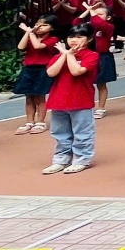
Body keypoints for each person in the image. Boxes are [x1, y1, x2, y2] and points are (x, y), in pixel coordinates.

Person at [42, 23, 99, 174]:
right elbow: (51, 73)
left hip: (81, 101)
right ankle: (61, 159)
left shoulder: (91, 56)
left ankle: (82, 159)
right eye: (71, 36)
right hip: (58, 100)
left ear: (90, 39)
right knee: (60, 133)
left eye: (80, 37)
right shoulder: (58, 56)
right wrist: (64, 55)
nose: (74, 40)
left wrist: (69, 55)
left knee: (82, 132)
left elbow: (76, 71)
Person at [14, 16, 57, 134]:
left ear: (51, 28)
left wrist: (30, 32)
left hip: (42, 69)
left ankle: (40, 122)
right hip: (29, 69)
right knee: (29, 97)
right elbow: (20, 47)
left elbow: (38, 46)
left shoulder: (52, 39)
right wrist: (28, 33)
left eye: (44, 25)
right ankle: (29, 122)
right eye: (38, 24)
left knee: (40, 96)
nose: (39, 27)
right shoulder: (30, 37)